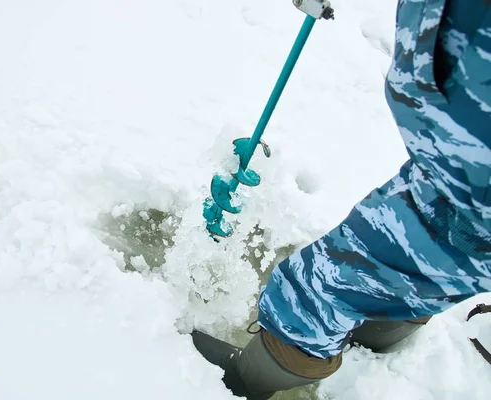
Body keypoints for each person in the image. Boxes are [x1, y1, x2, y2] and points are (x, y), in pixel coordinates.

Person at [191, 1, 491, 398]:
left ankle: (245, 381)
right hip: (458, 165)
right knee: (426, 256)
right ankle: (374, 330)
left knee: (317, 287)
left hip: (471, 179)